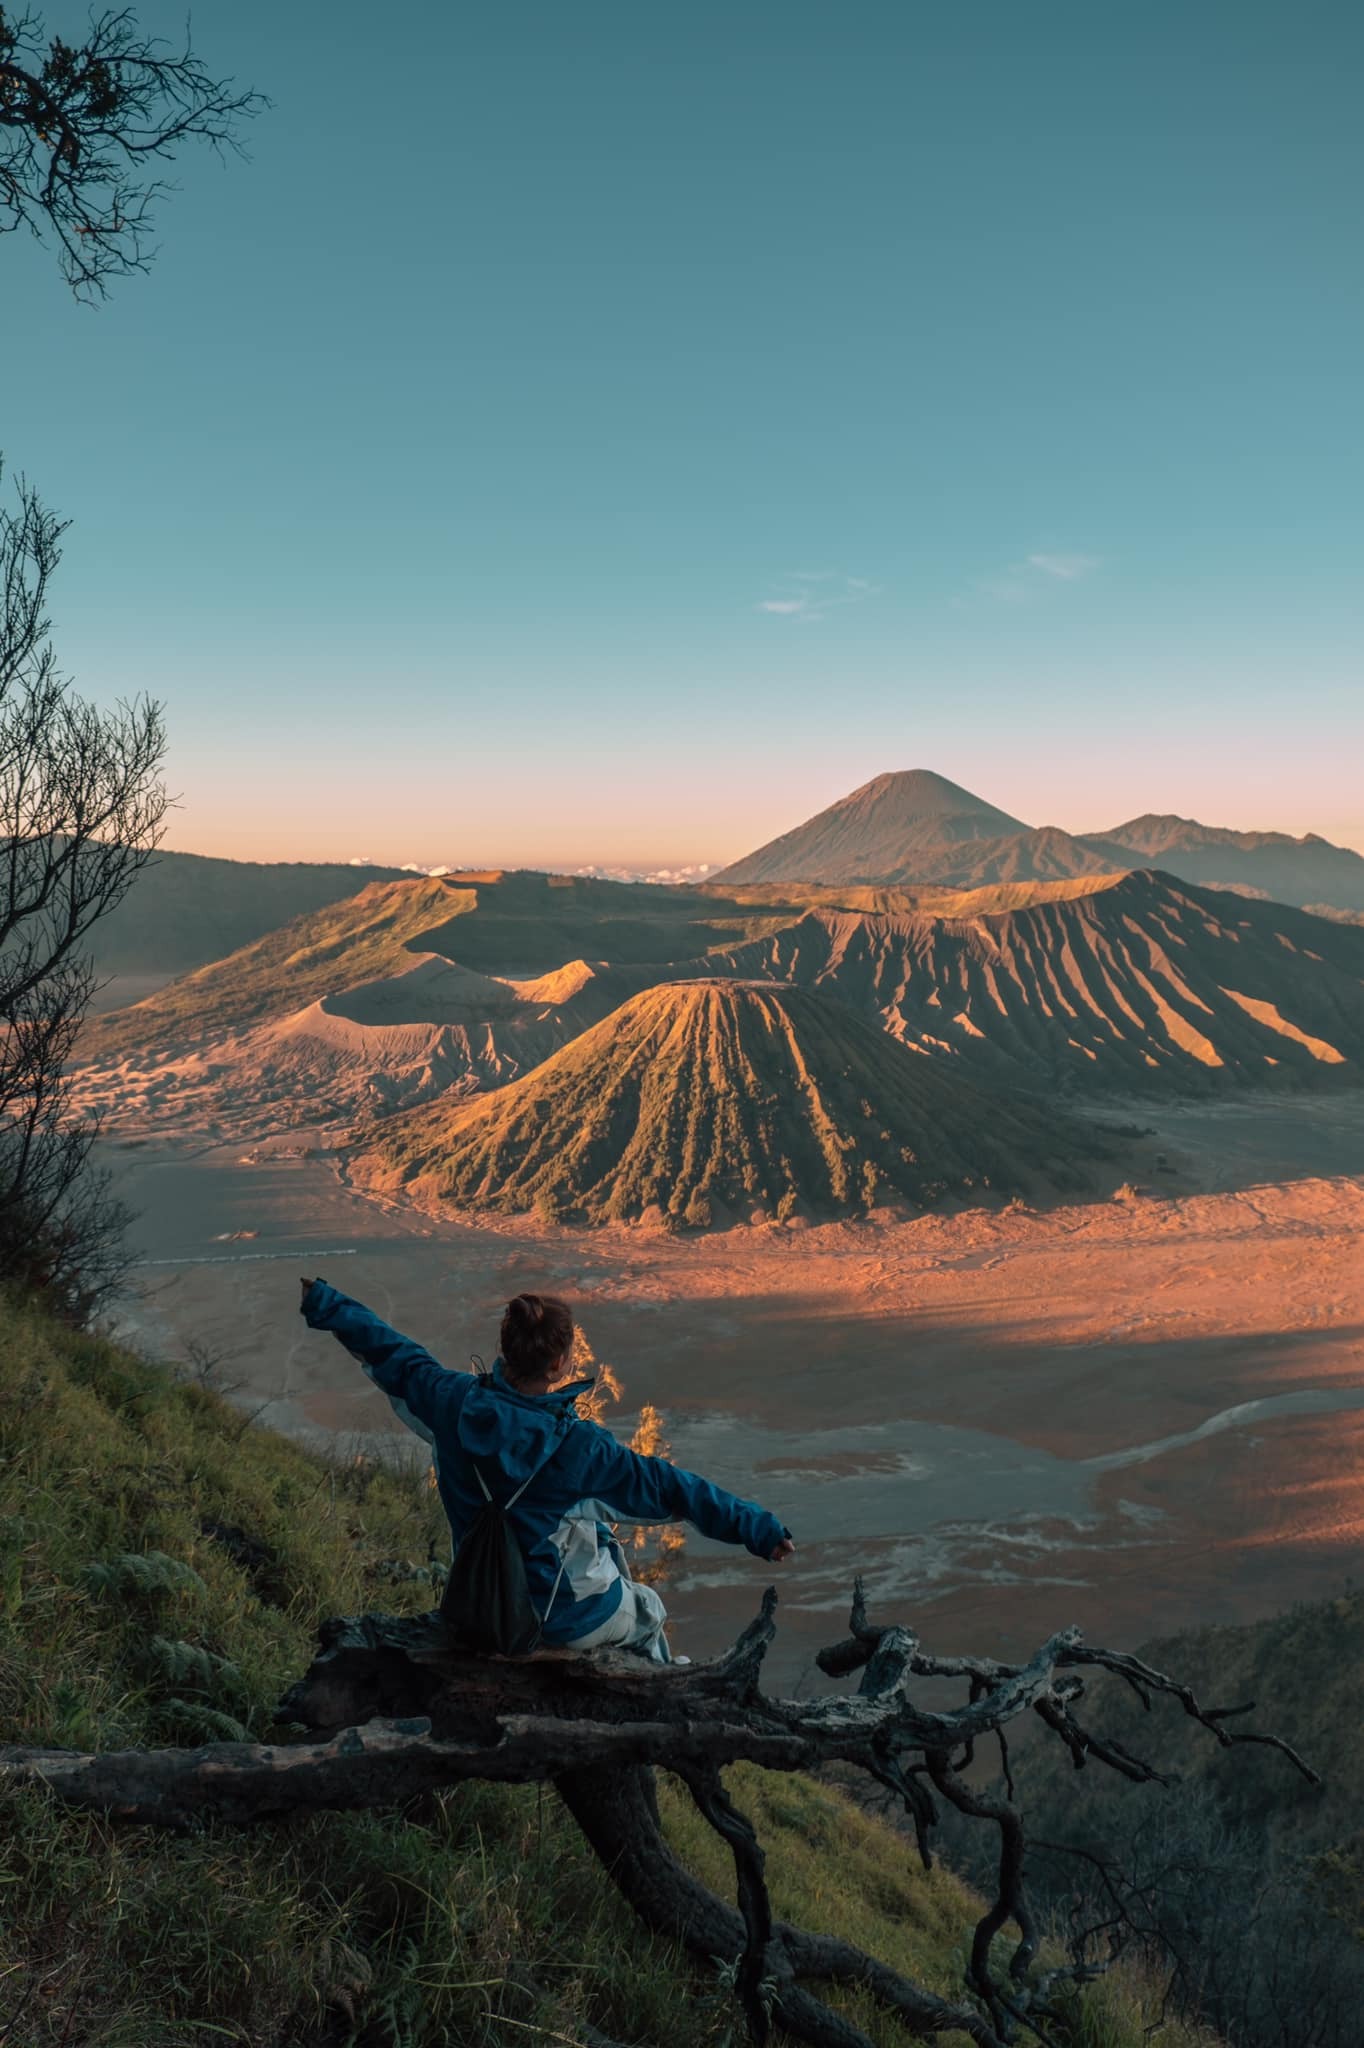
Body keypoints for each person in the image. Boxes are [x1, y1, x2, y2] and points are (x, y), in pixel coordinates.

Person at [298, 1279, 795, 1662]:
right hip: (558, 1621)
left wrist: (326, 1303)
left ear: (504, 1347)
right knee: (646, 1609)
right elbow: (673, 1490)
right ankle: (658, 1706)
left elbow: (391, 1352)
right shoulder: (580, 1450)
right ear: (559, 1363)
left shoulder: (449, 1403)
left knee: (594, 1535)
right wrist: (761, 1529)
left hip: (478, 1605)